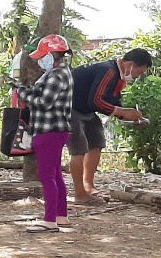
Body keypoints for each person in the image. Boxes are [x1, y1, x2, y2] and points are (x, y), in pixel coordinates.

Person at [68, 48, 152, 204]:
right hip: (69, 108)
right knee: (78, 149)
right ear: (130, 65)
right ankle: (79, 194)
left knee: (96, 141)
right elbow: (96, 101)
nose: (136, 77)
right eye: (138, 73)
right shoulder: (108, 71)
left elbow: (112, 103)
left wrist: (129, 117)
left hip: (85, 109)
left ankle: (89, 185)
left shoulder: (118, 77)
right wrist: (123, 111)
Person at [13, 34, 74, 233]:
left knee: (47, 176)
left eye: (43, 56)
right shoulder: (58, 73)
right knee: (55, 175)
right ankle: (60, 216)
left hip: (49, 130)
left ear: (53, 55)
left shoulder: (57, 75)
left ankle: (49, 221)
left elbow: (44, 102)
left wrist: (22, 93)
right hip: (55, 130)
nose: (40, 60)